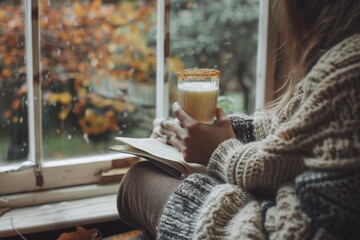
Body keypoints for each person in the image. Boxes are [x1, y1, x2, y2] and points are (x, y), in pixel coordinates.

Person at [117, 0, 360, 239]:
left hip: (269, 225)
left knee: (136, 180)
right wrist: (228, 131)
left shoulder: (348, 68)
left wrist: (221, 150)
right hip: (276, 202)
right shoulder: (341, 52)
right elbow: (298, 137)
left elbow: (295, 221)